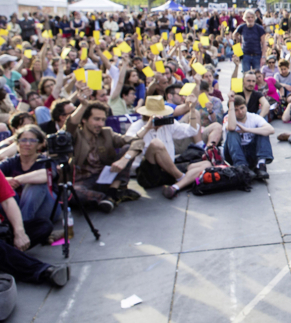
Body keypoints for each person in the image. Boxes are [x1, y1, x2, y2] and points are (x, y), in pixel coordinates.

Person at [66, 84, 145, 213]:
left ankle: (112, 192)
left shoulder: (106, 132)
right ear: (84, 120)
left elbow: (137, 141)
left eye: (103, 120)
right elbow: (71, 125)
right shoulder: (75, 135)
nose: (100, 124)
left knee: (127, 148)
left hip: (107, 178)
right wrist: (84, 105)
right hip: (83, 182)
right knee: (72, 193)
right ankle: (110, 197)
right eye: (96, 119)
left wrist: (124, 159)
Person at [125, 96, 213, 200]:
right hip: (148, 173)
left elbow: (192, 131)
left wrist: (192, 110)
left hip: (168, 169)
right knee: (156, 144)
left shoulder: (167, 124)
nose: (161, 117)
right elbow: (128, 141)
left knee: (206, 164)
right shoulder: (138, 126)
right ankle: (182, 178)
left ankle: (176, 187)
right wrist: (148, 127)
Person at [0, 125, 59, 225]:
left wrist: (16, 180)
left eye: (32, 140)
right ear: (17, 144)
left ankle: (22, 227)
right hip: (18, 208)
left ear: (40, 145)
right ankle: (18, 226)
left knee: (36, 185)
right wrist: (6, 181)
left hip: (45, 208)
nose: (27, 144)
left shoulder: (45, 160)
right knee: (5, 191)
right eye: (23, 140)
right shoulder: (11, 162)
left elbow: (46, 175)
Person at [223, 93, 273, 179]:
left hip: (251, 153)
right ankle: (242, 167)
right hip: (234, 155)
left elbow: (271, 130)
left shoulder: (253, 117)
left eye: (242, 108)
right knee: (232, 132)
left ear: (246, 106)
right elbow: (231, 127)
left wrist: (247, 130)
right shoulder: (228, 118)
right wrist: (231, 102)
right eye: (236, 110)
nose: (240, 112)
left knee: (262, 130)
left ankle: (261, 165)